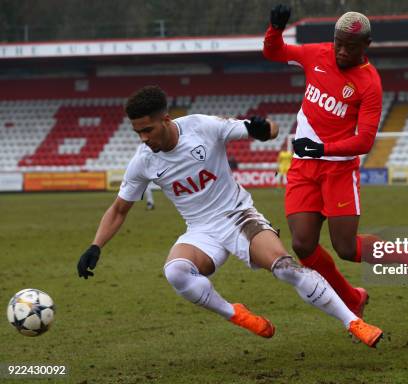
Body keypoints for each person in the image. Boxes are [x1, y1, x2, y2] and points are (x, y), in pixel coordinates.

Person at [76, 86, 383, 348]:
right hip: (200, 231)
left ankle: (353, 322)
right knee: (176, 272)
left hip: (238, 217)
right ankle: (235, 313)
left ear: (165, 120)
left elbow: (267, 129)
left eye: (147, 130)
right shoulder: (142, 162)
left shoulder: (202, 127)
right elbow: (118, 209)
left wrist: (265, 130)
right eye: (137, 132)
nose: (143, 138)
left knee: (286, 268)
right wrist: (95, 246)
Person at [263, 4, 408, 313]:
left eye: (350, 47)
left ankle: (407, 253)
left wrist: (324, 149)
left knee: (345, 248)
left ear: (366, 47)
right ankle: (352, 298)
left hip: (339, 170)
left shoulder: (370, 83)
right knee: (302, 244)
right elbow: (274, 53)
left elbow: (365, 140)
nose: (342, 51)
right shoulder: (317, 54)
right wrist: (275, 29)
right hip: (304, 167)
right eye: (338, 43)